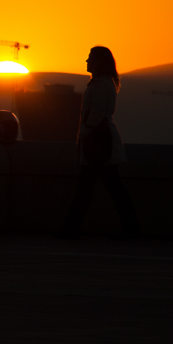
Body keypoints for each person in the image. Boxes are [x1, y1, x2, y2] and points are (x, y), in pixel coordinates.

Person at [57, 46, 140, 239]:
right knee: (108, 186)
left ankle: (71, 227)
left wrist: (85, 133)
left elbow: (96, 113)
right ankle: (130, 227)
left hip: (98, 143)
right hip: (101, 142)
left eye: (89, 58)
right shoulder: (104, 83)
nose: (86, 61)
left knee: (89, 187)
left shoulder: (101, 85)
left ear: (98, 62)